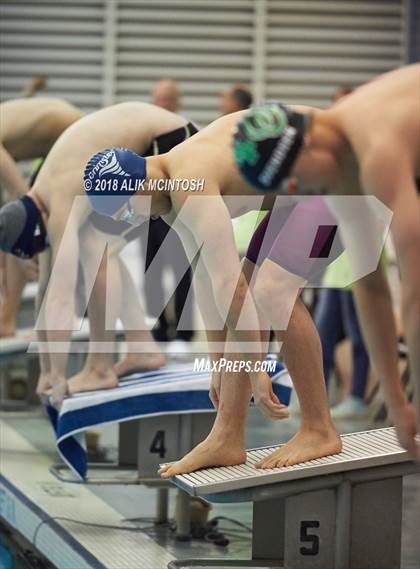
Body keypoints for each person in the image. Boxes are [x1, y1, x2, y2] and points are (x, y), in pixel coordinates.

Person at [83, 110, 345, 476]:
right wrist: (220, 363)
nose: (135, 221)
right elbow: (208, 284)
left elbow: (230, 285)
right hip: (298, 191)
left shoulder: (189, 183)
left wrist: (256, 372)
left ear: (139, 186)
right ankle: (226, 436)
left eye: (128, 213)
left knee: (270, 291)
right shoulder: (170, 193)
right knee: (251, 297)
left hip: (342, 177)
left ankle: (319, 428)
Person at [233, 64, 420, 458]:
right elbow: (371, 285)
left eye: (294, 181)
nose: (298, 192)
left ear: (310, 143)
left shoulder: (377, 148)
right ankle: (322, 423)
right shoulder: (344, 172)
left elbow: (414, 289)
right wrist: (396, 400)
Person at [0, 102, 198, 402]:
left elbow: (60, 297)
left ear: (39, 225)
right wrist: (45, 371)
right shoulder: (42, 193)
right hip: (163, 138)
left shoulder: (59, 197)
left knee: (96, 247)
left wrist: (56, 375)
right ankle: (140, 345)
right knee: (99, 245)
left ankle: (101, 367)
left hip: (170, 142)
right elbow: (46, 289)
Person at [0, 97, 83, 337]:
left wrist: (28, 247)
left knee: (38, 224)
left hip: (77, 140)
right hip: (62, 143)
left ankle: (51, 320)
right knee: (16, 224)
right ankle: (7, 318)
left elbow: (22, 199)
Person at [146, 78, 195, 349]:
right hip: (148, 212)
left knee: (181, 268)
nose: (165, 103)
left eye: (169, 98)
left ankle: (185, 332)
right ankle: (159, 329)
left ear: (177, 101)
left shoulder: (185, 131)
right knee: (151, 271)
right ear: (155, 101)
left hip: (176, 208)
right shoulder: (147, 133)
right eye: (161, 98)